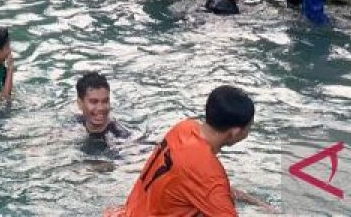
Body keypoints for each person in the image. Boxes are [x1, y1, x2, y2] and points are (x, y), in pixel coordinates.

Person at [106, 86, 271, 217]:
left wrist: (258, 204)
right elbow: (208, 183)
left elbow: (202, 184)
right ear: (235, 132)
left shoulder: (184, 128)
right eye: (249, 127)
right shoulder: (209, 173)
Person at [75, 71, 129, 140]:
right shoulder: (76, 122)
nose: (101, 108)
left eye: (105, 101)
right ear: (80, 103)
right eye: (94, 102)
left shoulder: (120, 135)